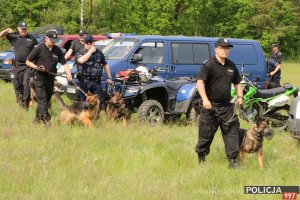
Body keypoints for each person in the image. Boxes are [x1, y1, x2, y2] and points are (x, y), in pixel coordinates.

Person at [195, 38, 243, 169]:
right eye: (223, 48)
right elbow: (200, 83)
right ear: (216, 49)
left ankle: (233, 162)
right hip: (210, 107)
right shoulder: (208, 65)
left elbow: (238, 83)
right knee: (206, 135)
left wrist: (240, 96)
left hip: (227, 107)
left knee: (232, 134)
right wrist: (205, 100)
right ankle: (201, 158)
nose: (226, 50)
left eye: (228, 48)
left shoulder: (231, 65)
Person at [26, 30, 72, 126]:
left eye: (55, 39)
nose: (54, 41)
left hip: (50, 79)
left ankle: (36, 120)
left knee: (46, 100)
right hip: (39, 78)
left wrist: (68, 74)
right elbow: (28, 61)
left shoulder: (57, 50)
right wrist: (37, 67)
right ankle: (47, 121)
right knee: (42, 99)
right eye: (52, 39)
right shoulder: (39, 48)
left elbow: (64, 63)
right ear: (46, 39)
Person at [0, 21, 38, 110]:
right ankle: (20, 102)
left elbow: (38, 49)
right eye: (22, 29)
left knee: (26, 84)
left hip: (27, 66)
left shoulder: (32, 38)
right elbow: (0, 36)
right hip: (17, 66)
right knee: (17, 85)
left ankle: (26, 104)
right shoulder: (14, 37)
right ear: (18, 29)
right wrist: (6, 30)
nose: (24, 30)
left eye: (25, 29)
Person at [75, 34, 113, 106]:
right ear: (84, 43)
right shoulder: (80, 52)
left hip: (96, 82)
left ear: (93, 43)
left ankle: (96, 116)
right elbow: (81, 60)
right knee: (84, 103)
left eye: (91, 43)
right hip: (84, 81)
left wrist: (109, 78)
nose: (89, 45)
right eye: (88, 44)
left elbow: (105, 64)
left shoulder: (99, 52)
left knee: (97, 103)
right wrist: (90, 52)